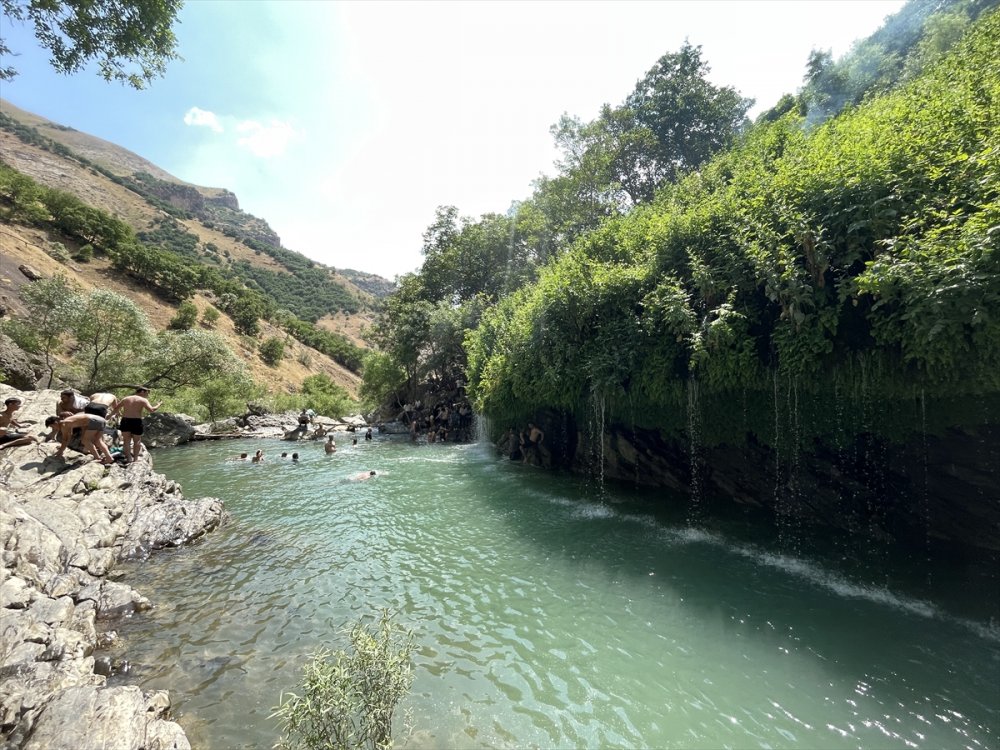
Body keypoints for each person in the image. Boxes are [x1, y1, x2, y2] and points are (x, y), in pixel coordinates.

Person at [110, 386, 161, 463]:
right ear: (142, 392)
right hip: (136, 421)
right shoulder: (143, 400)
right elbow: (151, 410)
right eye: (147, 392)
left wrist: (110, 415)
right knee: (137, 441)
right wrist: (159, 404)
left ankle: (129, 458)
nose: (148, 395)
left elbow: (116, 408)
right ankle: (136, 459)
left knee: (126, 440)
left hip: (125, 420)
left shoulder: (126, 399)